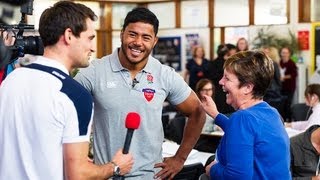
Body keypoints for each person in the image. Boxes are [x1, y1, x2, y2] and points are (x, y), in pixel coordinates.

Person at [0, 1, 133, 179]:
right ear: (69, 35)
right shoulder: (74, 95)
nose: (93, 47)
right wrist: (115, 166)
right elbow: (77, 175)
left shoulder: (11, 80)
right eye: (90, 38)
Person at [74, 7, 206, 179]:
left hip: (150, 176)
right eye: (132, 34)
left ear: (154, 41)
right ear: (122, 34)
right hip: (108, 175)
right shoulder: (95, 71)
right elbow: (63, 109)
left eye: (146, 37)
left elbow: (197, 111)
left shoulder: (164, 74)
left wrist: (180, 158)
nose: (138, 42)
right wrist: (79, 159)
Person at [201, 51, 291, 179]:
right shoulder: (272, 113)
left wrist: (212, 169)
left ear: (247, 87)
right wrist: (216, 115)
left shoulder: (242, 118)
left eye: (227, 78)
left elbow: (237, 177)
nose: (220, 81)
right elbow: (246, 134)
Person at [207, 44, 234, 115]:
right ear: (226, 52)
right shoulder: (229, 64)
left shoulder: (212, 63)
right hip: (226, 89)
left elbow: (210, 77)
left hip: (217, 90)